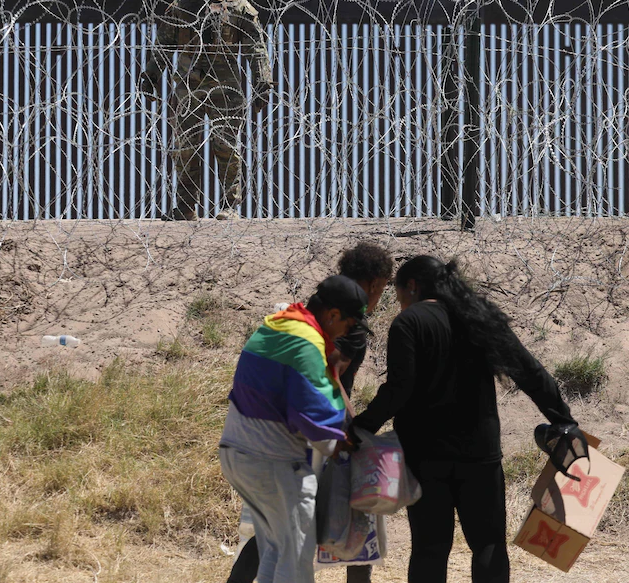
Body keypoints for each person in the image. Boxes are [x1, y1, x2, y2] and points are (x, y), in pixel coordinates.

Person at [350, 255, 580, 583]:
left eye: (400, 296)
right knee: (488, 544)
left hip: (425, 456)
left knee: (430, 547)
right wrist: (563, 419)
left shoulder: (410, 322)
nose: (400, 305)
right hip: (479, 453)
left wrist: (360, 428)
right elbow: (528, 370)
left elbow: (399, 389)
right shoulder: (478, 317)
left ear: (412, 287)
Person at [226, 242, 394, 583]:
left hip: (244, 449)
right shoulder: (312, 340)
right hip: (281, 457)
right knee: (299, 552)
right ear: (334, 316)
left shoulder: (283, 323)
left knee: (274, 544)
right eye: (346, 325)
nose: (346, 333)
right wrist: (342, 437)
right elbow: (318, 400)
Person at [140, 0, 273, 221]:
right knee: (185, 147)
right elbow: (164, 44)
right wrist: (151, 77)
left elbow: (256, 48)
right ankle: (186, 207)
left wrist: (262, 83)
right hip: (188, 84)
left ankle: (229, 206)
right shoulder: (183, 4)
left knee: (226, 146)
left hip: (226, 86)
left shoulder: (238, 6)